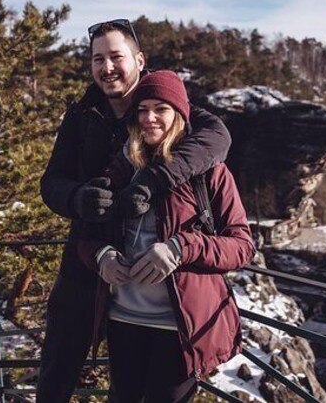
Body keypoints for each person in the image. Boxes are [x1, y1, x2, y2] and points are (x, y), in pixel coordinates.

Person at [37, 20, 232, 402]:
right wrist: (78, 198)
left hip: (160, 285)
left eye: (116, 57)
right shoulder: (81, 117)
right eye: (97, 59)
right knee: (58, 367)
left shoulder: (169, 107)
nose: (107, 67)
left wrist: (153, 180)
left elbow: (217, 138)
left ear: (139, 60)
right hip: (88, 258)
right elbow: (51, 184)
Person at [78, 70, 255, 402]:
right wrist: (102, 256)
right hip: (122, 322)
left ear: (179, 115)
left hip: (180, 329)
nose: (150, 118)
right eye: (142, 109)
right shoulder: (118, 171)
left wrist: (179, 248)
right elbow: (86, 238)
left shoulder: (209, 173)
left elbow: (243, 247)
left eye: (161, 108)